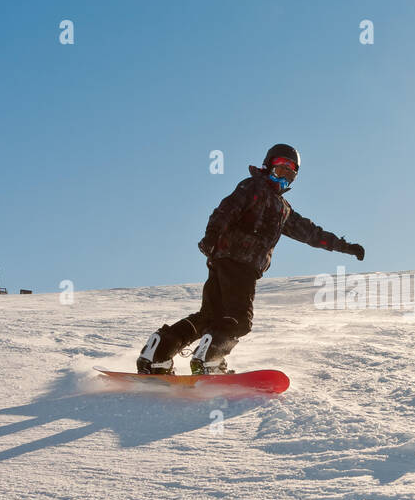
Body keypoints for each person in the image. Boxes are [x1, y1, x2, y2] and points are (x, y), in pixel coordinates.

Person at [137, 143, 365, 375]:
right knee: (239, 320)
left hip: (222, 261)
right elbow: (226, 210)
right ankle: (209, 360)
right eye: (279, 170)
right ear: (267, 167)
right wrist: (212, 236)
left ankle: (158, 352)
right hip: (240, 264)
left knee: (209, 317)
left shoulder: (283, 208)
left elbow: (312, 234)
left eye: (290, 174)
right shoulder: (253, 187)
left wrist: (346, 247)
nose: (283, 177)